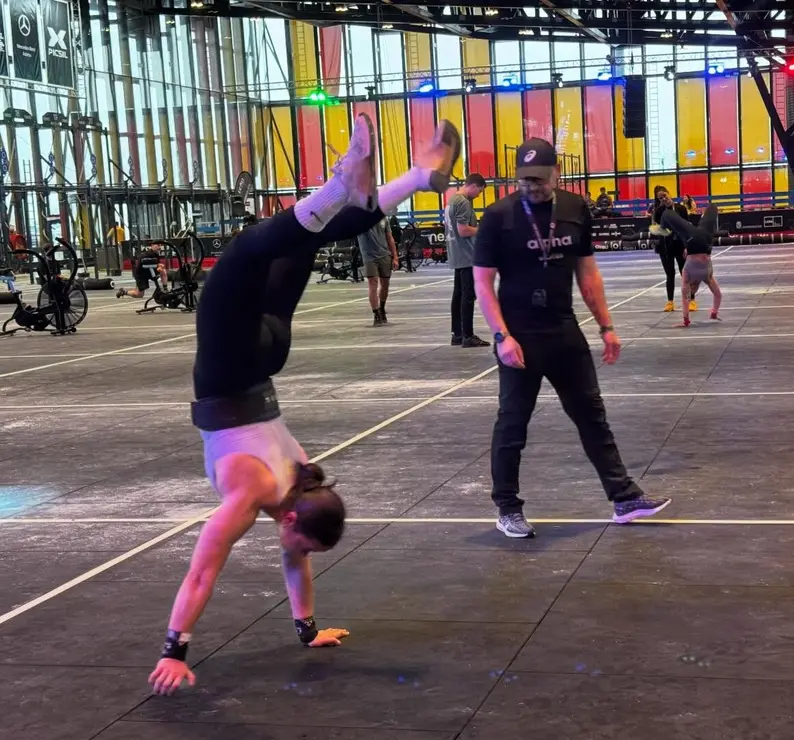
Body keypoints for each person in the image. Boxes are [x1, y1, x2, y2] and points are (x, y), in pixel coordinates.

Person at [148, 114, 461, 696]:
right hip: (230, 367)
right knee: (243, 252)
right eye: (301, 542)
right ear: (292, 519)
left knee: (305, 236)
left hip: (269, 355)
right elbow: (202, 571)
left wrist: (307, 629)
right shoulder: (255, 494)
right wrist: (175, 649)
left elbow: (295, 558)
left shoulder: (303, 477)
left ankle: (417, 177)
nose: (297, 554)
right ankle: (348, 185)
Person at [472, 138, 670, 539]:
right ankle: (507, 507)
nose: (533, 186)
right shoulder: (498, 216)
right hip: (519, 338)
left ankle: (623, 498)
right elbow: (482, 282)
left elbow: (588, 273)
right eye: (525, 179)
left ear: (556, 174)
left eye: (541, 179)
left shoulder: (576, 210)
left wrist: (606, 326)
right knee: (512, 425)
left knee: (592, 417)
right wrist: (501, 336)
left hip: (564, 331)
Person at [657, 199, 723, 328]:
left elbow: (686, 299)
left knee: (669, 215)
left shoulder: (691, 276)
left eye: (692, 290)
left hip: (696, 240)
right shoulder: (706, 277)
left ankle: (663, 226)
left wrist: (685, 321)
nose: (693, 290)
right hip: (701, 239)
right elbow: (717, 294)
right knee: (712, 207)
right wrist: (714, 312)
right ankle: (666, 222)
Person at [444, 173, 490, 347]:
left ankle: (457, 333)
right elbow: (463, 230)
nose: (479, 195)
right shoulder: (463, 202)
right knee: (468, 296)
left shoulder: (452, 200)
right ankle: (468, 336)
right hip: (467, 255)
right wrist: (482, 229)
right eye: (479, 191)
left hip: (457, 254)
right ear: (474, 186)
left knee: (458, 295)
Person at [650, 185, 696, 313]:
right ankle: (670, 302)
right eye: (660, 198)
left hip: (681, 246)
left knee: (685, 274)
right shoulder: (659, 212)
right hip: (665, 247)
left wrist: (687, 247)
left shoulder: (681, 209)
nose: (664, 199)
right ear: (658, 200)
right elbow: (659, 230)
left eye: (665, 195)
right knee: (669, 275)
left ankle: (691, 300)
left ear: (669, 194)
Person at [356, 216, 399, 326]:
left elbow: (389, 237)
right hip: (369, 257)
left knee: (385, 284)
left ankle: (382, 308)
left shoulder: (384, 218)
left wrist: (395, 257)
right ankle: (376, 314)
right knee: (373, 282)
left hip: (385, 255)